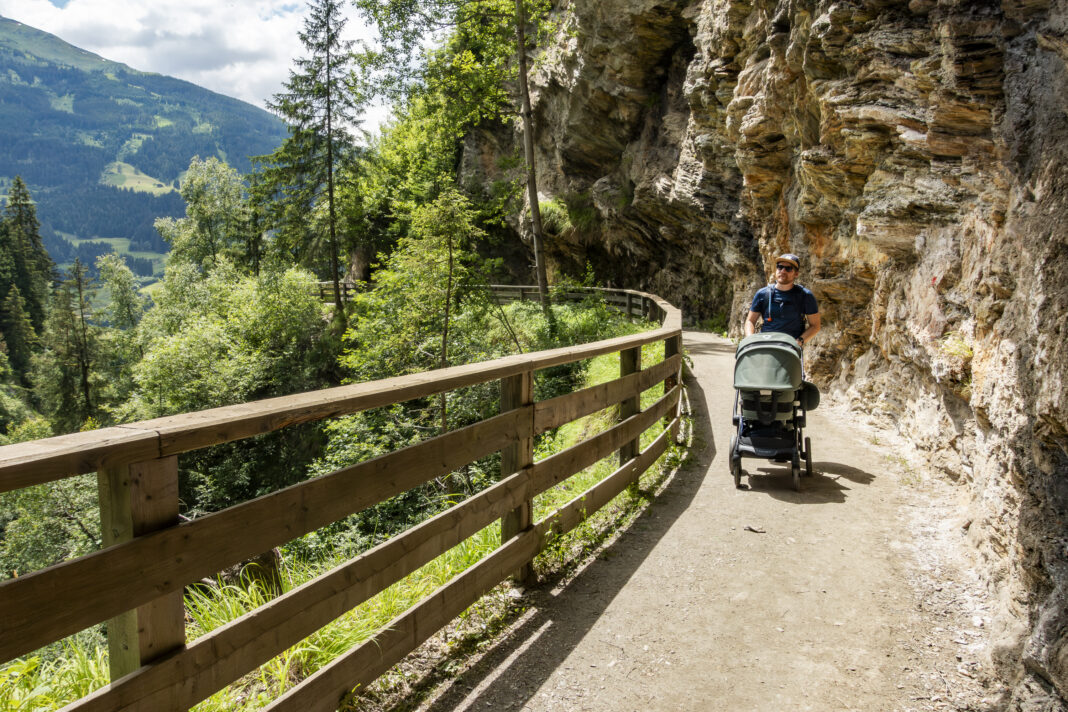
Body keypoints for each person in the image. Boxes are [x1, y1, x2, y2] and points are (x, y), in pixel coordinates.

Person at [744, 253, 821, 348]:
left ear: (796, 274)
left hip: (789, 348)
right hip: (765, 345)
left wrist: (799, 341)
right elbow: (750, 321)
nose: (783, 271)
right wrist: (750, 340)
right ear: (776, 270)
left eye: (788, 268)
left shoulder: (805, 296)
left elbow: (815, 326)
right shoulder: (762, 294)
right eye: (780, 267)